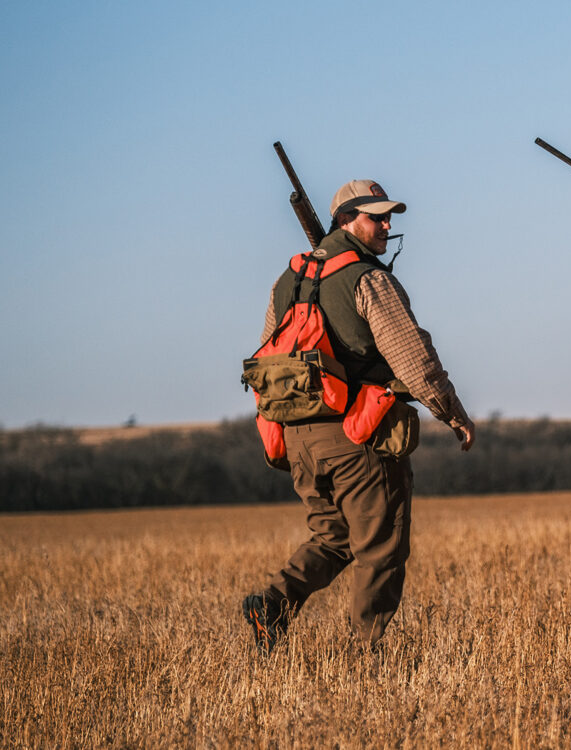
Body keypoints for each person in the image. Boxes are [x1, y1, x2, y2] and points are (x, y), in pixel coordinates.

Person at [242, 179, 475, 652]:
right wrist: (452, 413)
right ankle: (366, 657)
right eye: (377, 217)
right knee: (381, 546)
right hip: (358, 435)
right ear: (347, 220)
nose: (388, 225)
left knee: (333, 536)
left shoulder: (287, 280)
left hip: (300, 441)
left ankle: (273, 604)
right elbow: (414, 356)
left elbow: (270, 353)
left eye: (391, 217)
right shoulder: (369, 278)